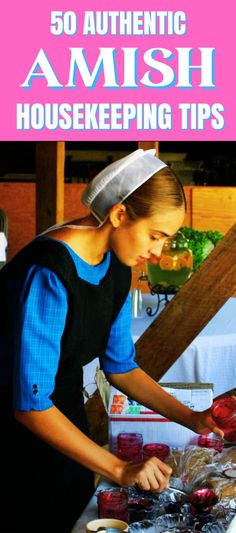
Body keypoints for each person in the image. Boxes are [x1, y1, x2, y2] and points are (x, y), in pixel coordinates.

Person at [0, 149, 224, 533]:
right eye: (155, 236)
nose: (156, 251)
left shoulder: (117, 267)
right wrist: (120, 467)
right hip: (16, 440)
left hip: (64, 422)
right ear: (120, 215)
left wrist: (191, 418)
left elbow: (122, 366)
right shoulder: (49, 273)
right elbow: (29, 405)